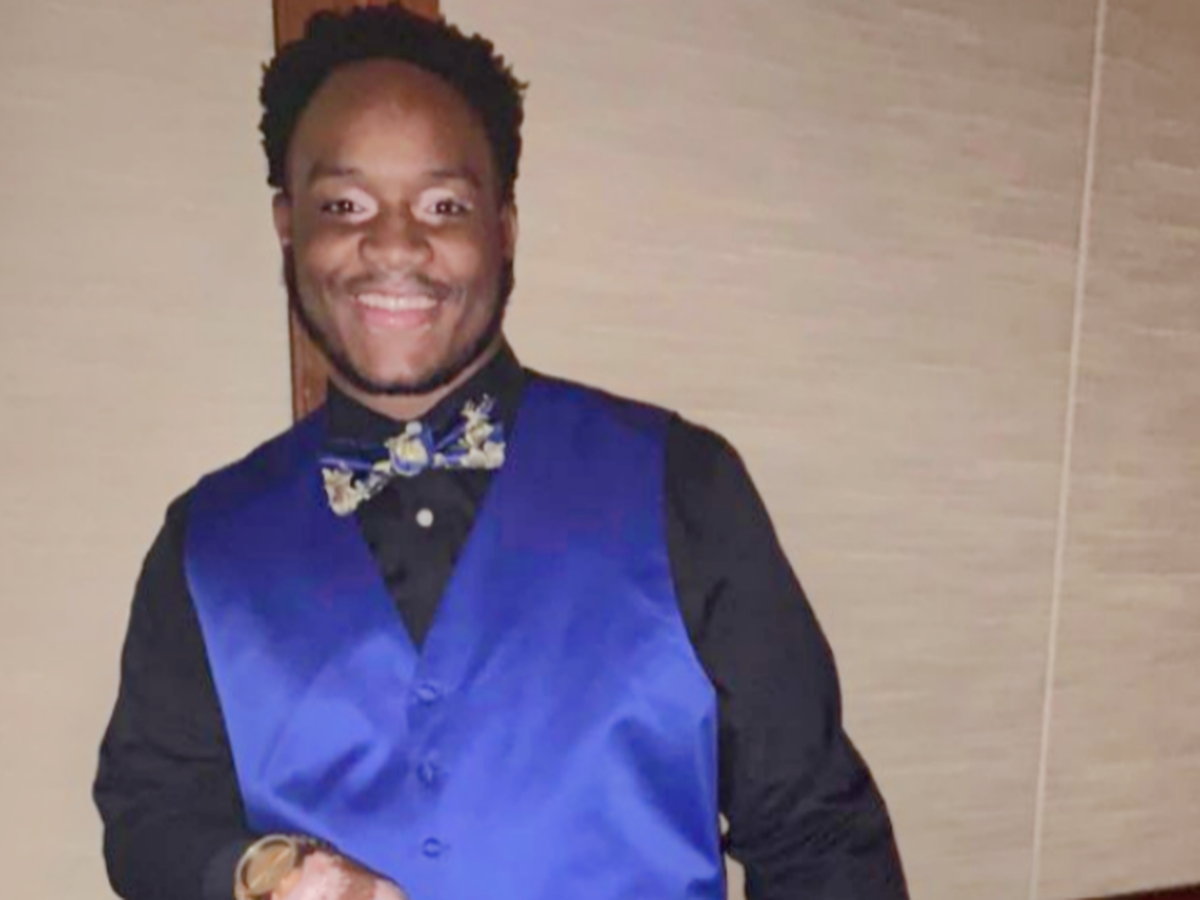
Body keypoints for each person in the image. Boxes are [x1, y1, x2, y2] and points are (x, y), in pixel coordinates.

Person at [94, 6, 908, 900]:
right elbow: (150, 814)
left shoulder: (684, 482)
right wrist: (261, 871)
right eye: (344, 205)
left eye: (444, 205)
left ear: (505, 227)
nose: (394, 244)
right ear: (289, 225)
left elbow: (820, 838)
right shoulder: (204, 543)